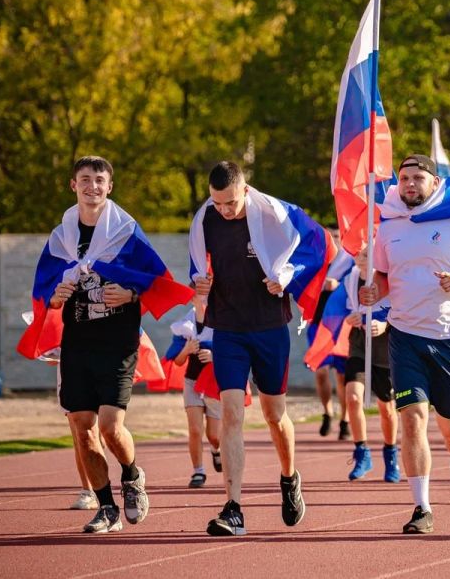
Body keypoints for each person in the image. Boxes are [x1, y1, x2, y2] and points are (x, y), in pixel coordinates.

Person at [19, 156, 192, 533]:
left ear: (109, 187)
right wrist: (55, 296)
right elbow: (43, 287)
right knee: (83, 428)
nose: (92, 187)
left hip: (118, 340)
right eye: (85, 180)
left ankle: (132, 475)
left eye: (99, 180)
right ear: (73, 185)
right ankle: (107, 506)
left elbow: (155, 278)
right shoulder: (60, 236)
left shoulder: (126, 231)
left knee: (111, 427)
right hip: (77, 340)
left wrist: (130, 294)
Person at [360, 154, 450, 534]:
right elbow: (383, 275)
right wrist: (375, 290)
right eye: (403, 178)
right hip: (405, 335)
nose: (408, 184)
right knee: (412, 419)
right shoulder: (388, 227)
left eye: (417, 178)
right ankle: (421, 508)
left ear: (433, 182)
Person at [190, 161, 334, 536]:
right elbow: (197, 265)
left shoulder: (275, 213)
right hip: (228, 330)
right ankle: (233, 508)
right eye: (217, 203)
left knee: (274, 415)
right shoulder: (204, 220)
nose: (224, 210)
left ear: (246, 190)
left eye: (231, 203)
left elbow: (320, 244)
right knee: (232, 414)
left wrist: (286, 276)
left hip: (270, 328)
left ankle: (289, 477)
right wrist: (200, 284)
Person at [342, 246, 401, 483]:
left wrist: (385, 325)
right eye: (357, 254)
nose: (359, 258)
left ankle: (390, 454)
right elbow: (341, 311)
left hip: (385, 350)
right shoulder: (351, 279)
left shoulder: (389, 280)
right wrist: (350, 319)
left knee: (387, 408)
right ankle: (362, 452)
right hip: (359, 345)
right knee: (353, 397)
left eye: (365, 254)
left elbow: (402, 310)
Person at [164, 297, 222, 487]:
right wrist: (187, 350)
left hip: (215, 383)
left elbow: (234, 352)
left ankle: (216, 449)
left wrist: (214, 357)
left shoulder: (223, 318)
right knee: (195, 430)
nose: (202, 296)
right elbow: (178, 362)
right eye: (197, 291)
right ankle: (198, 472)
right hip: (192, 382)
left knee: (214, 434)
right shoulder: (185, 325)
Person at [312, 229, 353, 439]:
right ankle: (327, 412)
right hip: (319, 323)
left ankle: (345, 419)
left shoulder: (351, 262)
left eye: (337, 236)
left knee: (342, 375)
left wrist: (339, 286)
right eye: (330, 237)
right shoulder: (317, 260)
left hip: (341, 324)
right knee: (320, 372)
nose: (334, 240)